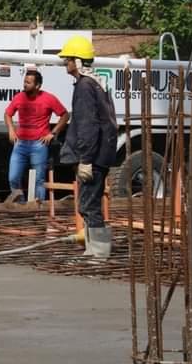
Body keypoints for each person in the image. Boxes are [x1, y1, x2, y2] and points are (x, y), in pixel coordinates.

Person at [59, 36, 117, 258]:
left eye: (68, 60)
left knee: (89, 204)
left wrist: (85, 160)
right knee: (89, 203)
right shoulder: (96, 83)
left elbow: (88, 126)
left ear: (78, 61)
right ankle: (95, 250)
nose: (66, 64)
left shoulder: (84, 86)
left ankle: (99, 253)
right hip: (100, 153)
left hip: (93, 156)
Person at [4, 70, 69, 204]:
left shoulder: (49, 98)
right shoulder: (19, 97)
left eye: (28, 82)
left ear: (38, 85)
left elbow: (65, 115)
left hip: (39, 145)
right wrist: (11, 129)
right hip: (20, 144)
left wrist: (53, 133)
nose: (25, 84)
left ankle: (38, 210)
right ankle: (21, 205)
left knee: (39, 180)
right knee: (13, 178)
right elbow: (7, 113)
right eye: (24, 81)